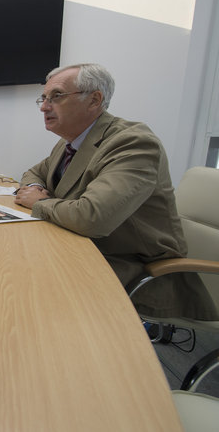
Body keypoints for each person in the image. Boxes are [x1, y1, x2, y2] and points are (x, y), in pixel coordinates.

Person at [14, 63, 215, 319]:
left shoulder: (133, 143)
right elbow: (34, 173)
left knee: (24, 284)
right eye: (43, 98)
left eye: (57, 96)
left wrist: (39, 203)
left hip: (134, 267)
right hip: (86, 249)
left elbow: (92, 217)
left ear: (94, 100)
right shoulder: (70, 143)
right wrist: (35, 189)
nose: (44, 106)